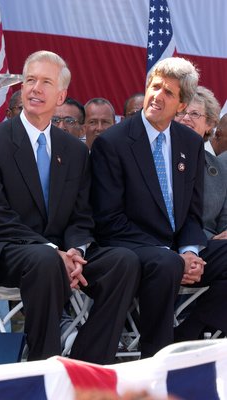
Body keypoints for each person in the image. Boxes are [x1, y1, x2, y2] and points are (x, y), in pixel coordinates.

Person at [0, 50, 140, 364]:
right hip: (6, 248)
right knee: (44, 259)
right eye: (30, 80)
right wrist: (53, 250)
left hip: (58, 253)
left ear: (61, 94)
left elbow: (81, 215)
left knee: (124, 261)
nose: (35, 88)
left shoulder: (74, 151)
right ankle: (43, 364)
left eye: (45, 82)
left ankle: (86, 362)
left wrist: (76, 250)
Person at [90, 57, 227, 358]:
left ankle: (187, 339)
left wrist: (190, 250)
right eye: (155, 87)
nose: (157, 96)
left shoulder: (189, 143)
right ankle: (155, 359)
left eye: (169, 92)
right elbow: (108, 220)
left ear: (181, 104)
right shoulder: (113, 143)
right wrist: (173, 254)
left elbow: (192, 214)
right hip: (129, 246)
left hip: (177, 248)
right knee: (167, 264)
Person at [175, 86, 227, 241]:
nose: (185, 118)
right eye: (181, 112)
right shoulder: (158, 157)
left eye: (194, 114)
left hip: (209, 245)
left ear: (209, 124)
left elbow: (224, 221)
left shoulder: (219, 168)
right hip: (165, 245)